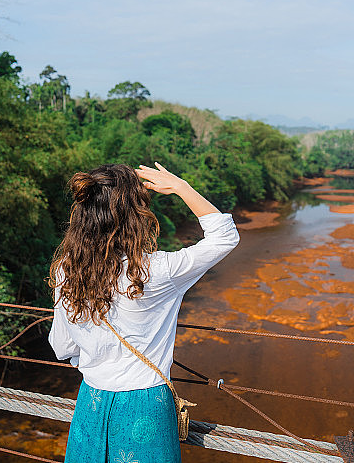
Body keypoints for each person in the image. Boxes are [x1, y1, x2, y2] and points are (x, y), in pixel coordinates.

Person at [48, 162, 240, 462]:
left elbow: (62, 346)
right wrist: (181, 187)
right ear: (135, 216)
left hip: (91, 401)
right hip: (145, 405)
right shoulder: (156, 271)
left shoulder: (67, 269)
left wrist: (97, 361)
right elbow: (225, 237)